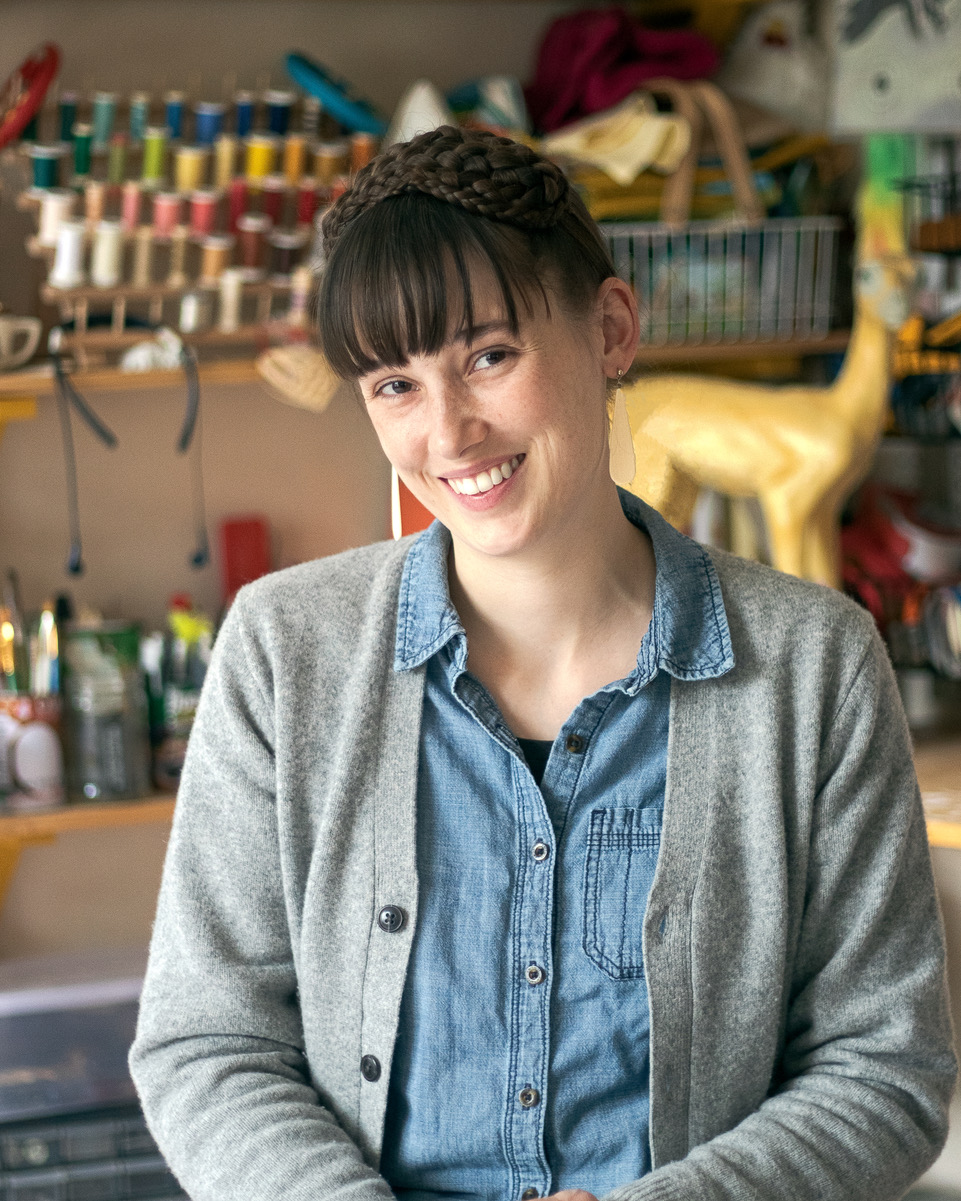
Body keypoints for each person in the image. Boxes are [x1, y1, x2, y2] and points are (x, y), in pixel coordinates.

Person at [130, 126, 956, 1201]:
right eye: (393, 385)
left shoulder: (815, 668)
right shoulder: (285, 653)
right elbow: (205, 1042)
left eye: (488, 356)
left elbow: (885, 1069)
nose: (450, 433)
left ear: (611, 329)